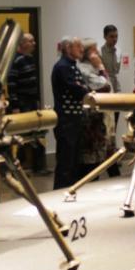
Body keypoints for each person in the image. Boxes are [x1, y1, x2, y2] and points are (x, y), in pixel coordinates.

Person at [7, 32, 50, 176]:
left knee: (38, 131)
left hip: (32, 101)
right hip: (22, 101)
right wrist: (15, 106)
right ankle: (18, 168)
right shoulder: (16, 60)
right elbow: (12, 84)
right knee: (20, 136)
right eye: (31, 41)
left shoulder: (30, 58)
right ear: (22, 43)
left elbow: (33, 81)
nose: (34, 43)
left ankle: (39, 166)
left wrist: (37, 99)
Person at [76, 39, 120, 180]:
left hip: (101, 118)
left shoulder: (92, 67)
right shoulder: (84, 69)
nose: (97, 52)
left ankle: (114, 178)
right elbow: (106, 87)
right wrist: (101, 67)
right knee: (93, 159)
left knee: (106, 153)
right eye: (94, 49)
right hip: (92, 119)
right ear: (86, 53)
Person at [51, 36, 90, 190]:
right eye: (78, 46)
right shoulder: (63, 66)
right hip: (66, 120)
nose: (82, 49)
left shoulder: (72, 66)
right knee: (65, 164)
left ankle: (71, 192)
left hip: (74, 119)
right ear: (68, 48)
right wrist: (82, 87)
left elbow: (84, 87)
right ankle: (59, 194)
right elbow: (77, 90)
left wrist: (82, 87)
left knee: (74, 162)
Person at [100, 25, 122, 127]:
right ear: (105, 37)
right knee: (105, 125)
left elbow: (117, 72)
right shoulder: (100, 53)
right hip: (105, 92)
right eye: (112, 36)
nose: (115, 39)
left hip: (117, 91)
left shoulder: (119, 52)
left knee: (115, 123)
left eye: (116, 36)